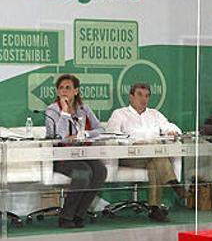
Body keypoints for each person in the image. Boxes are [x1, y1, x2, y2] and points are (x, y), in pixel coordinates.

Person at [105, 83, 186, 220]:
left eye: (147, 96)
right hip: (130, 156)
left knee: (154, 162)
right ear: (131, 97)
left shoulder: (154, 114)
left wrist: (171, 131)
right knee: (155, 149)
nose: (144, 99)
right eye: (140, 95)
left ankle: (155, 209)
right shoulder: (120, 114)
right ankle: (174, 184)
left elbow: (169, 126)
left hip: (152, 157)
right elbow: (112, 135)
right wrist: (133, 142)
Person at [43, 74, 107, 229]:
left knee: (100, 171)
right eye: (61, 88)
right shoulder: (52, 110)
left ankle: (79, 214)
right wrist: (64, 112)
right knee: (83, 173)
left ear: (76, 91)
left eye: (68, 87)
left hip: (83, 152)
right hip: (61, 156)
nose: (64, 91)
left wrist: (84, 134)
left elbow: (100, 129)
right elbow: (58, 135)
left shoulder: (83, 108)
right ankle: (66, 216)